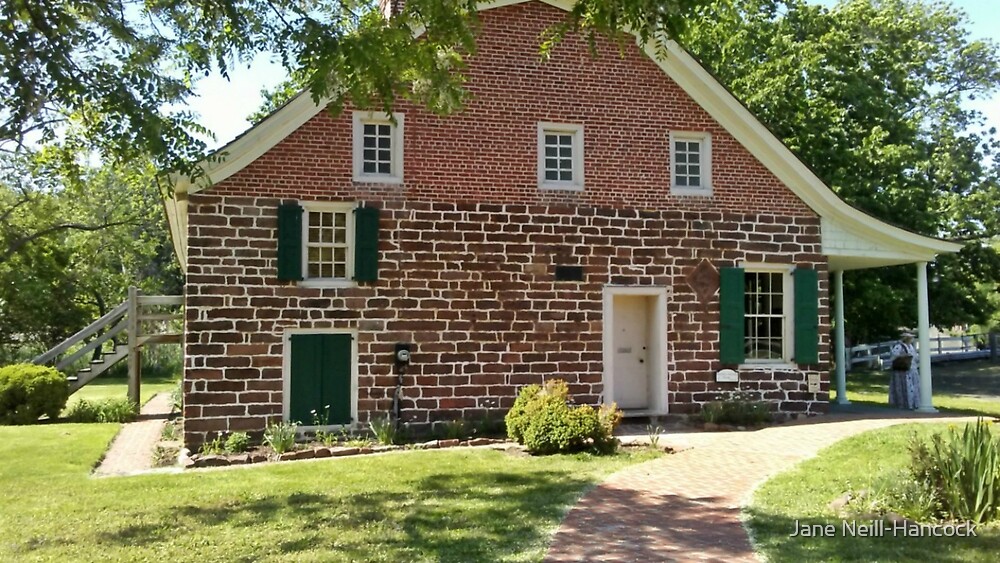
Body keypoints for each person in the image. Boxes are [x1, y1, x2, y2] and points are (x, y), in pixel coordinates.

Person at [889, 332, 919, 409]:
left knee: (913, 386)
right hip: (903, 370)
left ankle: (912, 403)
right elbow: (894, 356)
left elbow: (915, 357)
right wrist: (903, 356)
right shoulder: (899, 346)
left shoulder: (911, 347)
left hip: (912, 369)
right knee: (905, 387)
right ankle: (904, 403)